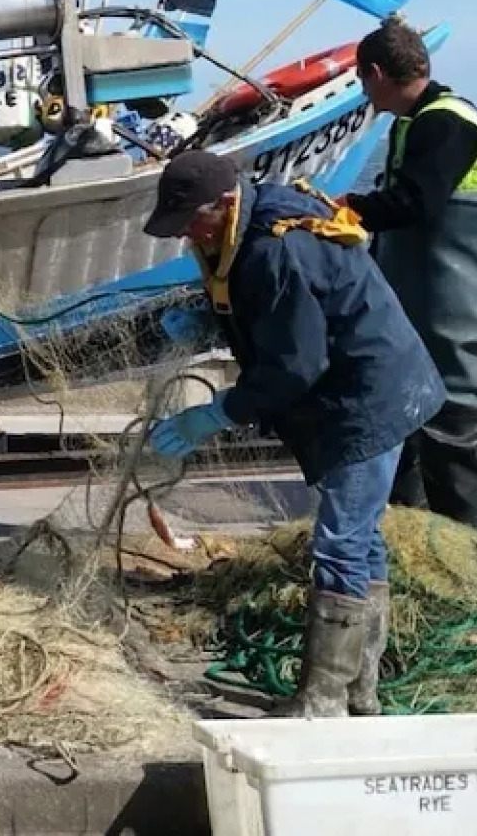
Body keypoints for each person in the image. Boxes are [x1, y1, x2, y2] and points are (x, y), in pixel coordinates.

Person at [146, 150, 443, 717]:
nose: (186, 234)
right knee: (360, 538)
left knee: (339, 543)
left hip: (369, 394)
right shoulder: (252, 221)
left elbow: (295, 366)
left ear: (225, 202)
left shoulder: (274, 248)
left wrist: (217, 413)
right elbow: (279, 308)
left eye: (191, 221)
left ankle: (323, 698)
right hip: (366, 382)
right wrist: (210, 318)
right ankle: (359, 691)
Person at [342, 16, 477, 528]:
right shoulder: (415, 122)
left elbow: (416, 201)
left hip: (452, 292)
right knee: (406, 405)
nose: (363, 92)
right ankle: (410, 529)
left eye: (361, 80)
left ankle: (462, 540)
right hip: (420, 291)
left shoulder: (446, 122)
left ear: (376, 73)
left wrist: (350, 209)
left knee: (450, 405)